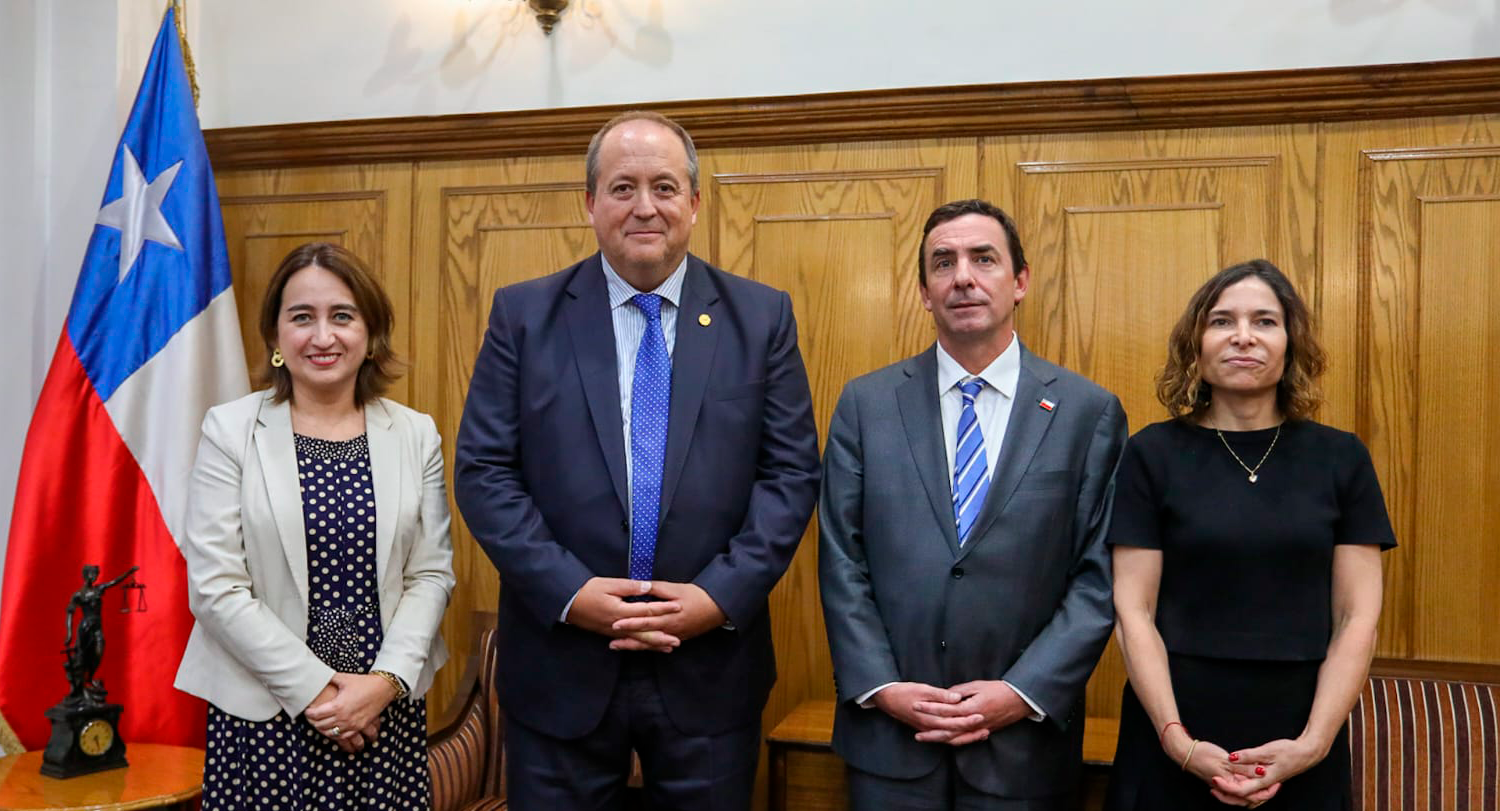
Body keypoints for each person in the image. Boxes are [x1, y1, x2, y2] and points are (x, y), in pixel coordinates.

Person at [453, 110, 821, 811]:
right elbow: (485, 472)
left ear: (695, 202)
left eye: (664, 187)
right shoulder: (523, 316)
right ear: (590, 203)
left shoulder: (761, 317)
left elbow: (791, 474)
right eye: (623, 188)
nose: (644, 206)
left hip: (710, 665)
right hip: (561, 662)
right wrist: (571, 592)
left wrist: (717, 597)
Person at [819, 198, 1127, 810]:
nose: (962, 277)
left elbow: (1099, 577)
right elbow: (841, 560)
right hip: (889, 742)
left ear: (1020, 282)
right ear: (924, 293)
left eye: (984, 259)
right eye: (943, 262)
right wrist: (883, 686)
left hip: (1023, 749)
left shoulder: (1087, 413)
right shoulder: (865, 405)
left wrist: (1021, 692)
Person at [1105, 259, 1394, 810]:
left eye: (1264, 321)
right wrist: (1178, 741)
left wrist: (1312, 745)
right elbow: (1133, 610)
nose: (1243, 336)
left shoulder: (1341, 458)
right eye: (1222, 321)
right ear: (1196, 345)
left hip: (1302, 730)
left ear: (1290, 344)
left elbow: (1357, 617)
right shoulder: (1151, 454)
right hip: (1172, 727)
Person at [175, 243, 455, 810]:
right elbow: (216, 588)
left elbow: (430, 575)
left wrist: (381, 685)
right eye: (302, 317)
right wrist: (320, 694)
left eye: (342, 316)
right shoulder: (229, 431)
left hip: (384, 710)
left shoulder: (415, 434)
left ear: (370, 333)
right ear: (276, 336)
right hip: (265, 714)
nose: (322, 336)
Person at [62, 564, 137, 704]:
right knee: (82, 656)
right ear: (86, 575)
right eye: (93, 574)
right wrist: (69, 634)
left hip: (97, 626)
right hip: (85, 627)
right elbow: (70, 613)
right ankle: (81, 686)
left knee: (98, 652)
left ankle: (90, 677)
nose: (95, 577)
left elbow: (114, 582)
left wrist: (129, 573)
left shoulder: (99, 589)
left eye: (96, 574)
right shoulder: (79, 594)